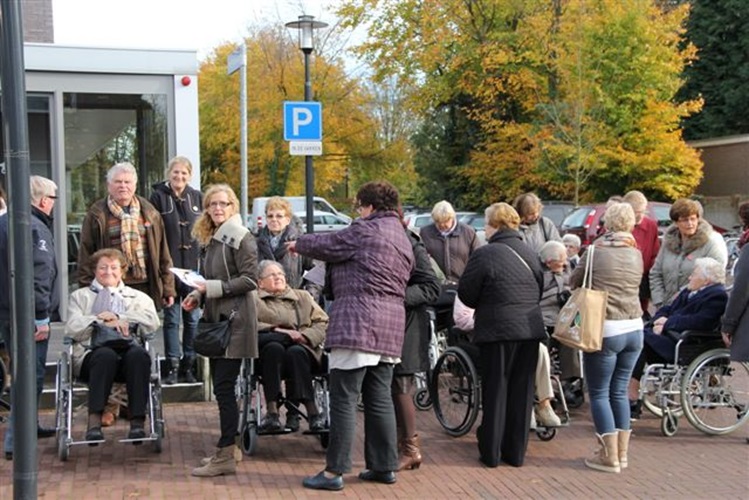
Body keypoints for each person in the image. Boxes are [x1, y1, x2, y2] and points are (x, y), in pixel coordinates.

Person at [289, 181, 414, 491]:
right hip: (390, 325)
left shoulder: (365, 230)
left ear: (369, 206)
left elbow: (330, 244)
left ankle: (334, 472)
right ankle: (383, 466)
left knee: (343, 397)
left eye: (359, 206)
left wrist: (298, 244)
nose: (358, 212)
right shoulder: (402, 236)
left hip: (357, 322)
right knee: (379, 396)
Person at [78, 162, 175, 425]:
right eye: (118, 182)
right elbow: (86, 253)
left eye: (127, 182)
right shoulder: (97, 213)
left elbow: (163, 252)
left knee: (137, 346)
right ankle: (109, 405)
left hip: (142, 288)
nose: (123, 186)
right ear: (109, 185)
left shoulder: (150, 212)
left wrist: (167, 286)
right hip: (108, 285)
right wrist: (89, 288)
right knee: (106, 344)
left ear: (135, 185)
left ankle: (132, 403)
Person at [458, 202, 546, 468]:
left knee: (496, 389)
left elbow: (466, 294)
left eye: (486, 223)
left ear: (494, 225)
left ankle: (492, 452)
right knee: (522, 390)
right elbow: (539, 288)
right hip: (530, 329)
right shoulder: (530, 253)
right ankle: (516, 453)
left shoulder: (485, 254)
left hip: (497, 330)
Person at [183, 184, 258, 477]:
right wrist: (197, 295)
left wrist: (210, 289)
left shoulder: (240, 237)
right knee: (222, 387)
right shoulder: (215, 238)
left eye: (223, 204)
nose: (217, 209)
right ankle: (231, 449)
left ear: (233, 207)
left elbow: (251, 280)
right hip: (219, 317)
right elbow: (210, 279)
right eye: (212, 204)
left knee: (225, 388)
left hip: (235, 321)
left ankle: (226, 452)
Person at [570, 202, 643, 474]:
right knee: (620, 390)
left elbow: (574, 281)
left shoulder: (595, 252)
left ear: (607, 223)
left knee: (599, 392)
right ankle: (622, 454)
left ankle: (607, 456)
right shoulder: (636, 253)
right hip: (635, 326)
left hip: (606, 327)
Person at [65, 248, 160, 443]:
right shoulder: (79, 297)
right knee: (105, 355)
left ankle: (137, 423)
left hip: (128, 354)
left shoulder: (138, 297)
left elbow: (152, 322)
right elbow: (71, 327)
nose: (108, 272)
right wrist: (98, 318)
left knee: (139, 356)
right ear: (94, 270)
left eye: (114, 267)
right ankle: (94, 422)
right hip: (91, 356)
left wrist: (121, 317)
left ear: (122, 271)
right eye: (103, 267)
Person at [0, 176, 60, 459]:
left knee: (23, 372)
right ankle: (17, 440)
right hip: (27, 316)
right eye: (54, 198)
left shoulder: (4, 222)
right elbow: (39, 275)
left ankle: (29, 427)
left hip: (7, 312)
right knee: (29, 375)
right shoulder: (34, 228)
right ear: (44, 200)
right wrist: (41, 316)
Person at [629, 257, 728, 418]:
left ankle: (632, 392)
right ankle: (631, 388)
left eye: (693, 274)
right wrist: (657, 322)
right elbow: (667, 308)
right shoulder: (690, 291)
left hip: (689, 344)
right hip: (673, 337)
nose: (689, 277)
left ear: (706, 279)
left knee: (640, 338)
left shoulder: (717, 296)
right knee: (637, 337)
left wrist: (667, 324)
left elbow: (701, 322)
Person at [453, 293, 562, 429]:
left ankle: (544, 404)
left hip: (514, 335)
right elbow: (461, 319)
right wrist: (491, 320)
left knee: (541, 350)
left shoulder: (507, 286)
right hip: (483, 339)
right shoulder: (469, 289)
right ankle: (525, 409)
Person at [253, 260, 328, 433]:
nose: (278, 277)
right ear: (260, 282)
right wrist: (278, 330)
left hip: (302, 348)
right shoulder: (253, 299)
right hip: (268, 352)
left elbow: (322, 322)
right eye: (272, 275)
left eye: (280, 274)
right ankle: (272, 412)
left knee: (295, 352)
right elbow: (245, 324)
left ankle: (313, 412)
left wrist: (305, 336)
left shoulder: (302, 296)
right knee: (274, 348)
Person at [150, 155, 203, 384]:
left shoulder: (196, 197)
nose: (179, 177)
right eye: (175, 172)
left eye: (183, 173)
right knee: (171, 319)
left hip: (192, 270)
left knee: (192, 319)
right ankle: (171, 366)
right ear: (168, 174)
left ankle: (188, 366)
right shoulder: (158, 197)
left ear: (189, 176)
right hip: (169, 269)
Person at [393, 224, 440, 471]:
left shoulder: (411, 243)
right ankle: (398, 447)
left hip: (409, 326)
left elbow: (432, 287)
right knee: (389, 387)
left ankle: (411, 450)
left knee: (401, 386)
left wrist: (394, 296)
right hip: (387, 323)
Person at [649, 198, 727, 309]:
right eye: (685, 220)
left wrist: (681, 297)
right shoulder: (668, 243)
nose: (690, 224)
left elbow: (715, 277)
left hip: (695, 307)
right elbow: (656, 273)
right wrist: (659, 301)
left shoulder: (710, 243)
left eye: (693, 219)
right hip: (666, 307)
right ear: (676, 222)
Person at [538, 240, 582, 411]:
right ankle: (544, 387)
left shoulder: (568, 271)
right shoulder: (539, 276)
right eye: (561, 260)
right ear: (548, 262)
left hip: (563, 321)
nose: (564, 262)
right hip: (543, 321)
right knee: (544, 346)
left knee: (571, 342)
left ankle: (569, 382)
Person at [255, 196, 318, 295]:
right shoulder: (255, 243)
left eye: (279, 216)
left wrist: (310, 293)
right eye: (270, 216)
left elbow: (317, 270)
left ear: (288, 220)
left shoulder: (300, 242)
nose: (274, 219)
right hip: (263, 302)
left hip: (292, 300)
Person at [419, 200, 481, 285]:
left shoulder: (468, 232)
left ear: (452, 217)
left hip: (463, 284)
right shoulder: (425, 233)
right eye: (438, 222)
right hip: (435, 285)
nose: (441, 225)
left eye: (445, 221)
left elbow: (478, 259)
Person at [623, 191, 660, 314]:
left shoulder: (651, 225)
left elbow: (655, 253)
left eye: (643, 211)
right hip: (622, 281)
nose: (640, 216)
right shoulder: (618, 224)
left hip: (642, 280)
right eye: (636, 212)